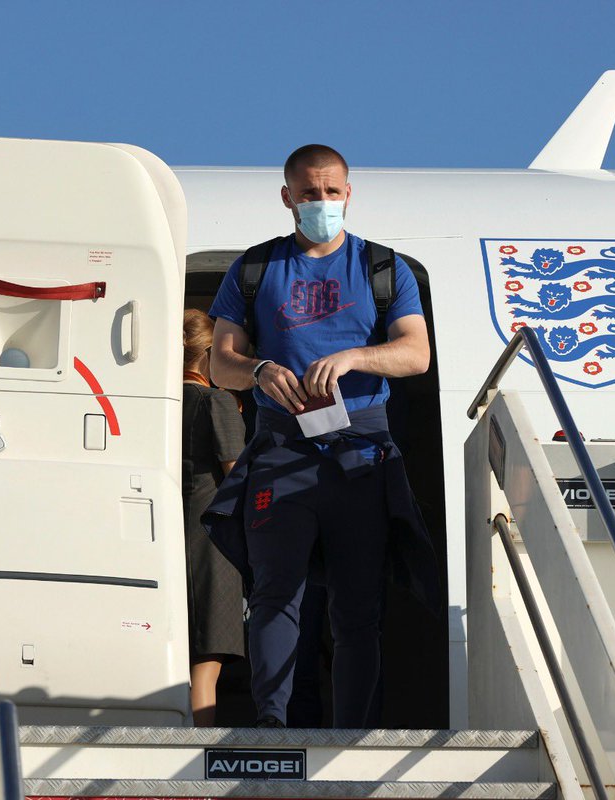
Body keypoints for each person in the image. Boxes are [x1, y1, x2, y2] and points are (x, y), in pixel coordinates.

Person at [205, 144, 439, 729]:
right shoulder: (255, 269)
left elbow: (416, 353)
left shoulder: (383, 268)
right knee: (275, 596)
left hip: (358, 451)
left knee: (358, 608)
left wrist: (358, 355)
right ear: (288, 197)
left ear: (349, 192)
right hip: (282, 449)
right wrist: (258, 370)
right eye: (310, 193)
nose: (323, 202)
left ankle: (355, 735)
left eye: (332, 191)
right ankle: (274, 729)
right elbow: (219, 362)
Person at [181, 309, 246, 726]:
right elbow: (236, 477)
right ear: (208, 354)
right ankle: (195, 763)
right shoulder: (216, 401)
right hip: (212, 542)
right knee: (206, 665)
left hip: (168, 536)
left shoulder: (161, 403)